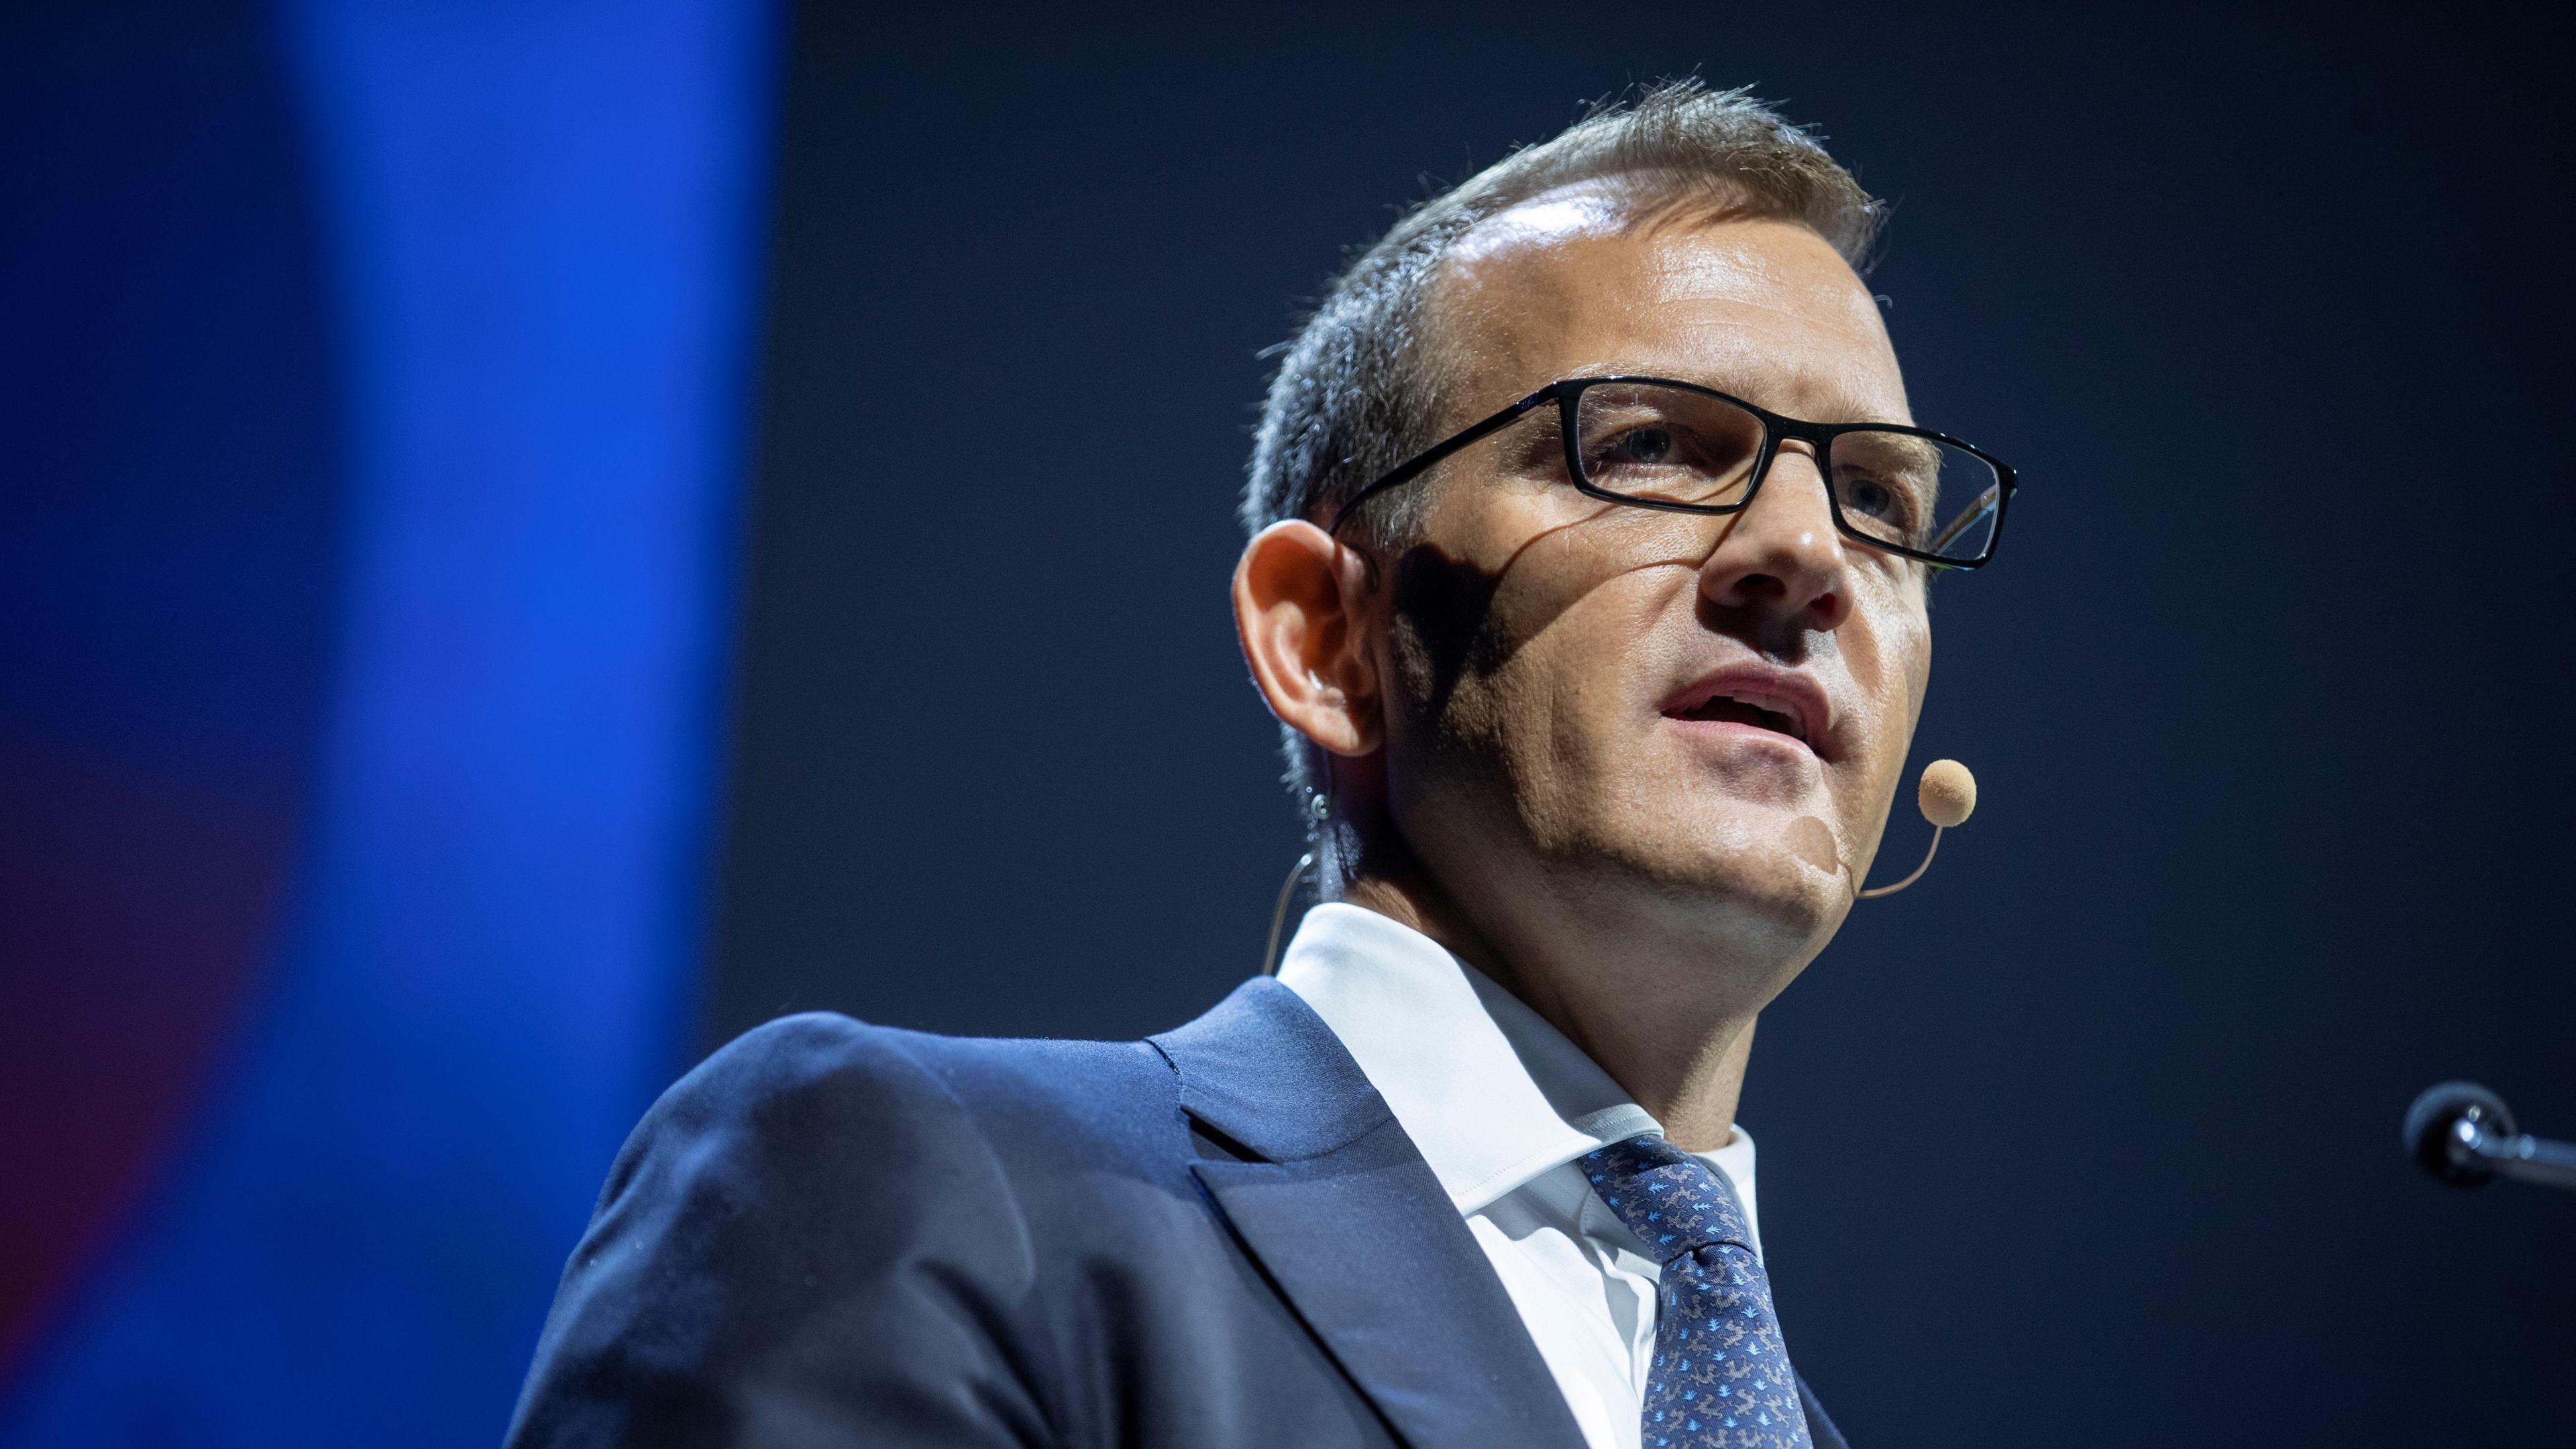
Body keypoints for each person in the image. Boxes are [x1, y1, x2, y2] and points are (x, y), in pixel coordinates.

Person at [506, 78, 2015, 1449]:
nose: (1807, 555)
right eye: (1653, 449)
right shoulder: (919, 1189)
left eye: (1883, 498)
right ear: (1324, 637)